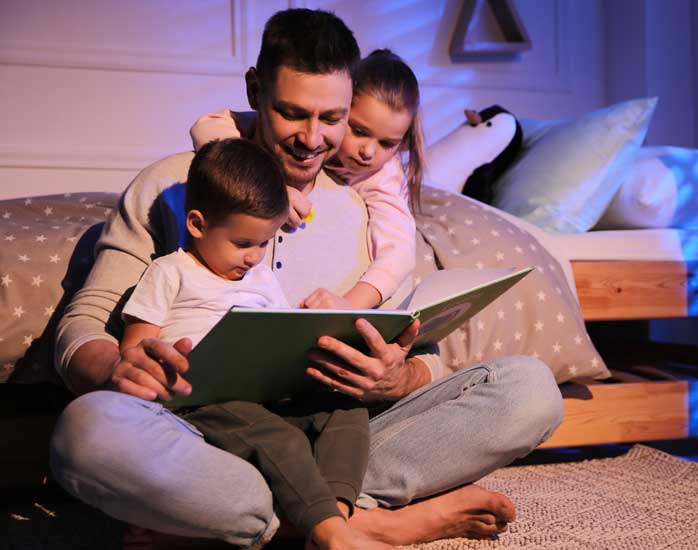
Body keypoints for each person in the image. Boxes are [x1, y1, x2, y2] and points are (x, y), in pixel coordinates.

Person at [48, 8, 563, 549]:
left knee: (529, 389)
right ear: (254, 89)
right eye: (292, 113)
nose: (313, 140)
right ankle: (356, 524)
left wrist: (397, 377)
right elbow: (81, 324)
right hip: (199, 431)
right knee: (86, 433)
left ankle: (275, 521)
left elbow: (417, 345)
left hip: (326, 434)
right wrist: (116, 369)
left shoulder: (365, 206)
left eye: (334, 118)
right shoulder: (175, 185)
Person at [117, 138, 385, 550]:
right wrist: (157, 370)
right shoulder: (170, 271)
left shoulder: (260, 280)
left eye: (265, 243)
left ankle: (335, 519)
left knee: (345, 410)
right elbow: (135, 351)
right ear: (197, 224)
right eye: (243, 243)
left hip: (262, 397)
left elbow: (276, 337)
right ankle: (333, 535)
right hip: (198, 401)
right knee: (283, 439)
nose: (254, 257)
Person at [191, 48, 423, 311]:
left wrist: (349, 306)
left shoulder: (382, 175)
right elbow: (207, 125)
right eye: (358, 131)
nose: (368, 152)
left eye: (387, 143)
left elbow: (399, 254)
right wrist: (262, 180)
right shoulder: (293, 131)